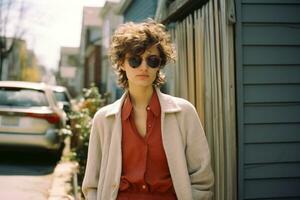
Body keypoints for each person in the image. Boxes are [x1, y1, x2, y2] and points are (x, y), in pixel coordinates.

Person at [82, 19, 214, 200]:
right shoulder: (103, 119)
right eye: (135, 60)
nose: (144, 67)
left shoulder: (184, 113)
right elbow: (92, 185)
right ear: (122, 63)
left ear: (159, 65)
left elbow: (202, 180)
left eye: (152, 60)